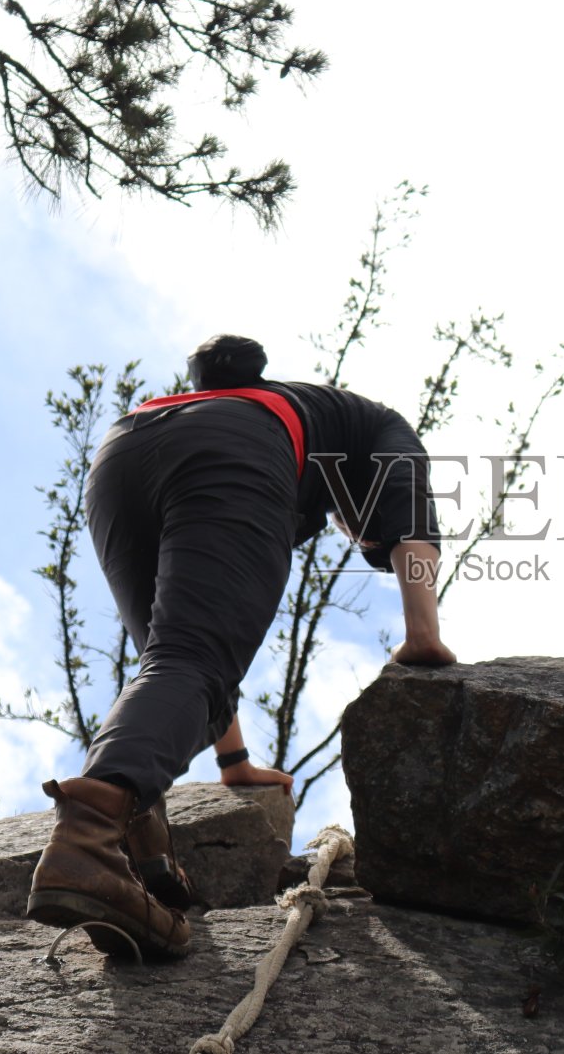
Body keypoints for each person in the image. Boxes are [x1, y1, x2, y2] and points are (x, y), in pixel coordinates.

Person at [26, 334, 456, 959]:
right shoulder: (378, 425)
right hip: (233, 450)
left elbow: (182, 664)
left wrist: (235, 762)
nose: (350, 531)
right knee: (189, 661)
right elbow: (413, 530)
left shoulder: (268, 407)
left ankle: (145, 859)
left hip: (122, 452)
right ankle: (88, 844)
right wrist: (423, 638)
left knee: (169, 662)